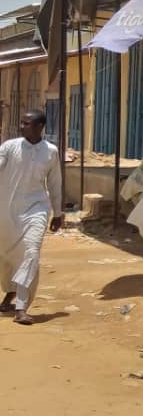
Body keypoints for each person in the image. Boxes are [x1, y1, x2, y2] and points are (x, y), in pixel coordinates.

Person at [0, 110, 63, 325]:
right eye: (22, 122)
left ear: (40, 127)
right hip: (6, 210)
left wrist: (58, 213)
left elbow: (55, 183)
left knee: (31, 252)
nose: (21, 126)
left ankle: (21, 307)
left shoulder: (51, 151)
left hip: (36, 209)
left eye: (26, 123)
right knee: (7, 255)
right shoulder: (9, 147)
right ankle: (11, 292)